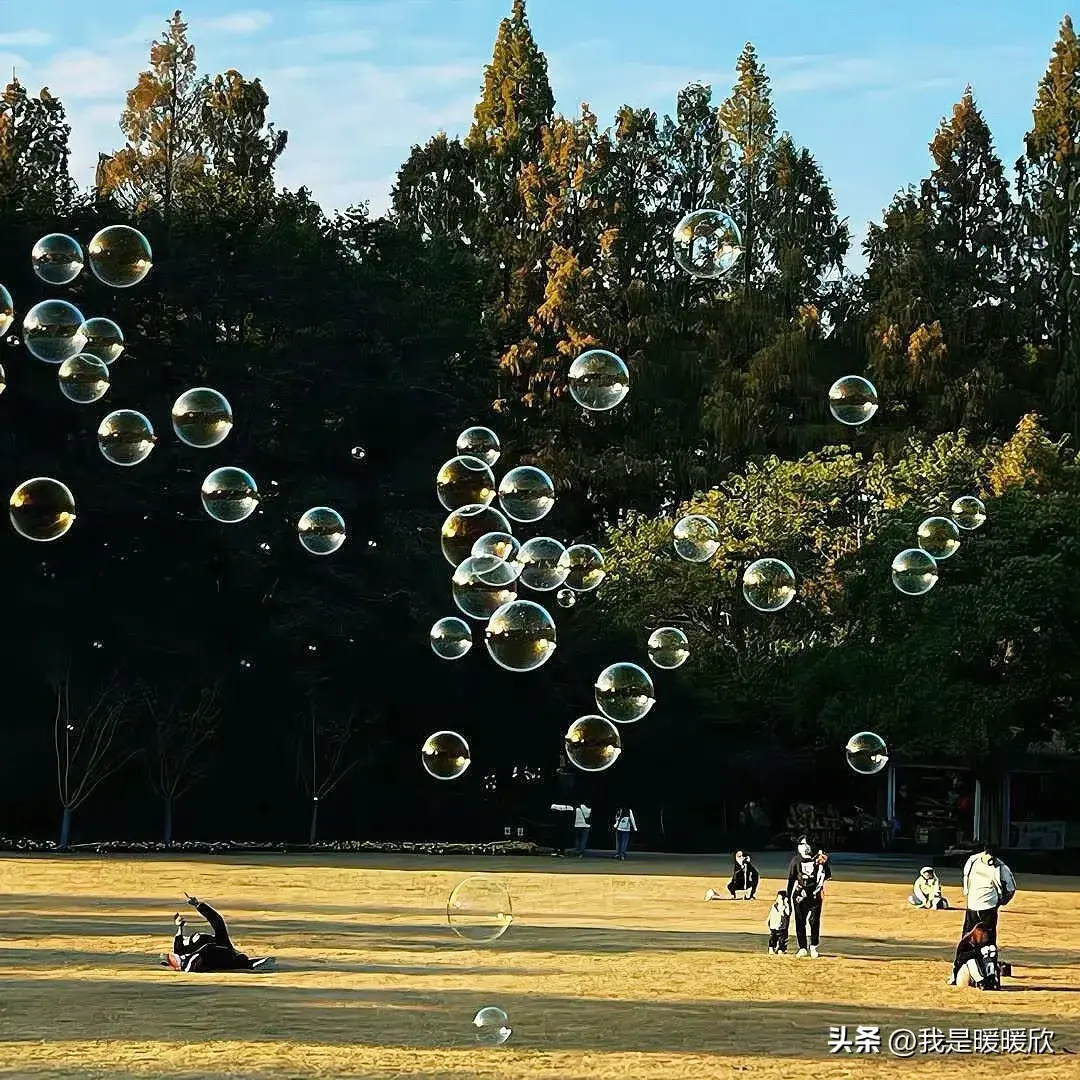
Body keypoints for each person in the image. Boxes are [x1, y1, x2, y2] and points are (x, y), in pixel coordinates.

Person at [948, 842, 1016, 984]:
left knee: (988, 942)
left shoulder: (1001, 868)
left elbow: (1011, 888)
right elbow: (966, 877)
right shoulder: (972, 860)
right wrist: (967, 893)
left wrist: (1000, 901)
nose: (991, 858)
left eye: (993, 855)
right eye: (989, 854)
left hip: (989, 908)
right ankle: (959, 971)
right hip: (972, 907)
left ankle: (989, 974)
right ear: (984, 852)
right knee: (967, 940)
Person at [161, 895, 274, 973]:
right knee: (205, 951)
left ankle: (252, 964)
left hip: (227, 960)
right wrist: (180, 928)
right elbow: (178, 947)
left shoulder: (220, 942)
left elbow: (217, 921)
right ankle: (250, 964)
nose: (193, 936)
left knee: (212, 950)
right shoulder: (185, 951)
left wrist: (198, 905)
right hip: (202, 963)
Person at [786, 838, 831, 958]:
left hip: (815, 895)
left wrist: (823, 863)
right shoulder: (796, 860)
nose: (803, 846)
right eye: (801, 844)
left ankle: (814, 946)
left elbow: (825, 876)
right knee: (800, 922)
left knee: (814, 921)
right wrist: (787, 896)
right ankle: (802, 947)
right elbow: (791, 879)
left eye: (806, 843)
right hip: (800, 895)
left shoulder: (818, 859)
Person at [952, 922, 1001, 990]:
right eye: (983, 935)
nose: (985, 938)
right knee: (971, 961)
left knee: (988, 959)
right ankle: (982, 982)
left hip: (979, 973)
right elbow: (960, 958)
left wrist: (992, 955)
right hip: (963, 976)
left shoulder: (986, 944)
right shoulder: (965, 943)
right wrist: (979, 952)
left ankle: (991, 980)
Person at [766, 890, 791, 954]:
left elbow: (788, 913)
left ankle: (781, 948)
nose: (778, 899)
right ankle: (772, 947)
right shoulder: (775, 905)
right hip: (774, 924)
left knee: (782, 937)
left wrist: (785, 904)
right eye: (778, 898)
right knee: (773, 936)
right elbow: (771, 914)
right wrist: (769, 920)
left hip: (782, 925)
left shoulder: (785, 906)